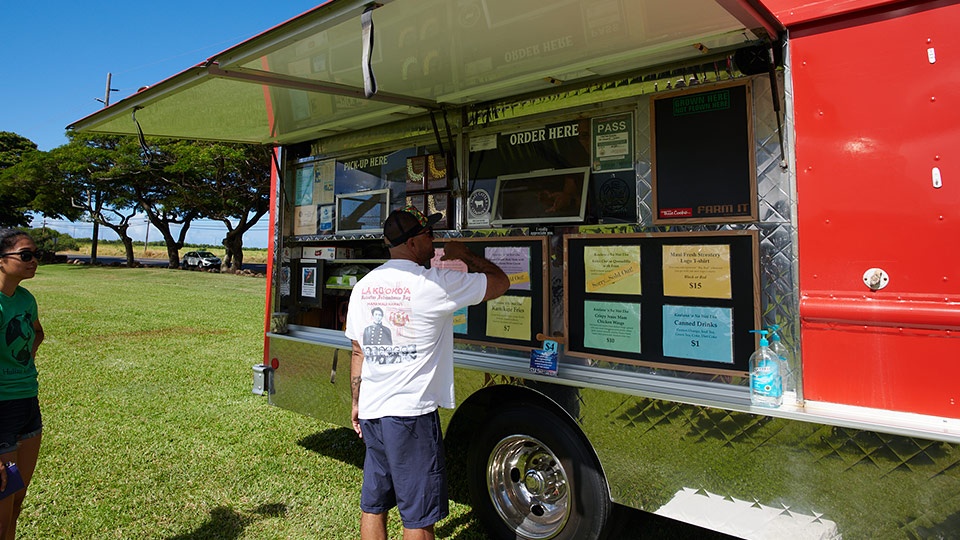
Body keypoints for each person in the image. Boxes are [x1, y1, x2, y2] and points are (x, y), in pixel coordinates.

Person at [345, 206, 509, 540]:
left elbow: (358, 350)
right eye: (429, 235)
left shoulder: (364, 286)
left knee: (373, 504)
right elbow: (501, 282)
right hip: (411, 416)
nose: (434, 243)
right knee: (418, 517)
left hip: (374, 411)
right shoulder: (435, 283)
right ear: (413, 242)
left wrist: (356, 403)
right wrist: (466, 255)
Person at [0, 229, 45, 540]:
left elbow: (37, 333)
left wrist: (20, 366)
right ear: (1, 261)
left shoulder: (26, 299)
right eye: (25, 255)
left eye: (34, 255)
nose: (34, 261)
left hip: (28, 405)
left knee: (16, 502)